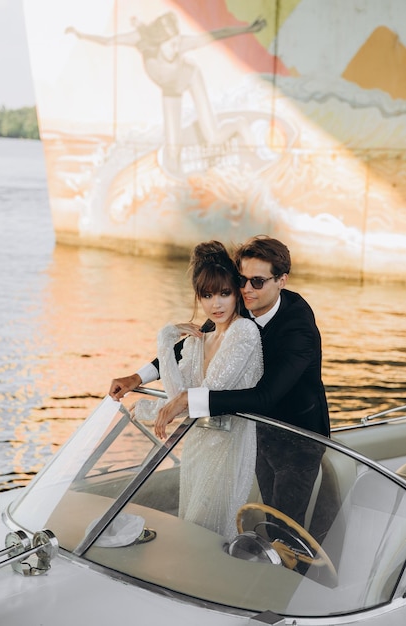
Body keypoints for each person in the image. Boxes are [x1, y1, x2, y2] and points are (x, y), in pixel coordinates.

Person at [109, 235, 330, 530]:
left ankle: (293, 570)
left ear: (282, 280)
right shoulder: (236, 306)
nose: (247, 289)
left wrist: (189, 399)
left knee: (285, 526)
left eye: (258, 282)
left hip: (297, 437)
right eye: (242, 279)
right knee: (264, 512)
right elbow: (192, 348)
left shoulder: (298, 329)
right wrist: (137, 377)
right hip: (255, 429)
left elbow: (265, 397)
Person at [127, 241, 263, 541]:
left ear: (236, 293)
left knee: (211, 531)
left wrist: (153, 410)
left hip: (230, 445)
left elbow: (202, 396)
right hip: (198, 443)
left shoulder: (244, 332)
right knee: (190, 525)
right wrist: (165, 341)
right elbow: (178, 393)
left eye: (224, 293)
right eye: (207, 295)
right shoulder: (199, 340)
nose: (216, 304)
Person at [66, 13, 266, 171]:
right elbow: (108, 41)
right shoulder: (142, 41)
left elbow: (217, 35)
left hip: (190, 77)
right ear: (158, 42)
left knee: (212, 138)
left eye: (178, 42)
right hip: (170, 90)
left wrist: (248, 29)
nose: (177, 48)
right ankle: (178, 184)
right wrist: (81, 35)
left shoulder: (183, 44)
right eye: (171, 45)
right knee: (172, 149)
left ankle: (238, 125)